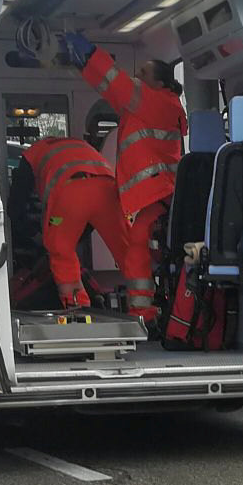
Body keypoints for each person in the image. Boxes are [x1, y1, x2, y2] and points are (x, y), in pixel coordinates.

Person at [59, 33, 187, 326]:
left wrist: (90, 54)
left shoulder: (153, 101)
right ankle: (146, 310)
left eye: (143, 73)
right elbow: (112, 89)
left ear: (160, 84)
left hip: (156, 193)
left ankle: (143, 312)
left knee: (136, 255)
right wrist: (84, 66)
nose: (136, 77)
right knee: (139, 252)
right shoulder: (152, 105)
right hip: (157, 194)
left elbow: (116, 82)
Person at [7, 137, 132, 309]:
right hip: (109, 190)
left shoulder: (32, 154)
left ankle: (78, 308)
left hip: (71, 192)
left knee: (61, 252)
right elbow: (87, 220)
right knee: (129, 252)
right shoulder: (77, 145)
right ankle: (147, 309)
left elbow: (15, 207)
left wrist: (35, 236)